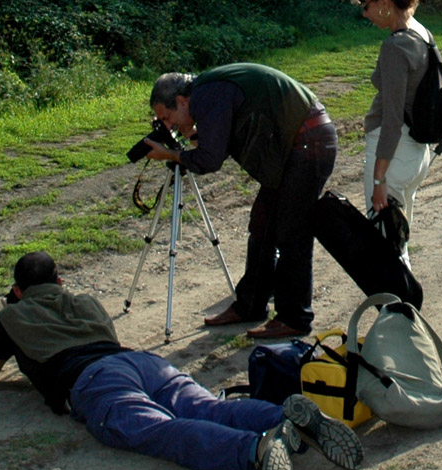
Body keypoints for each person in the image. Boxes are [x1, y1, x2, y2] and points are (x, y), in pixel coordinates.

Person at [0, 251, 363, 470]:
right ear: (60, 282)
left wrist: (13, 309)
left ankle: (254, 450)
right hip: (139, 362)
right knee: (208, 406)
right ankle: (284, 417)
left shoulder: (13, 314)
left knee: (163, 429)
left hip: (93, 380)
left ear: (19, 290)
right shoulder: (84, 302)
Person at [144, 64, 337, 339]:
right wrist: (194, 137)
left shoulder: (208, 94)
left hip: (308, 143)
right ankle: (250, 306)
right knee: (262, 226)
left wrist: (172, 155)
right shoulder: (209, 91)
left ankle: (295, 318)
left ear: (181, 101)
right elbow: (219, 144)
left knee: (291, 232)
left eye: (167, 117)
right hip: (294, 145)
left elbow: (210, 160)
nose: (169, 126)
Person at [350, 0, 434, 266]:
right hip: (416, 152)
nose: (364, 12)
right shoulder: (420, 32)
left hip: (394, 154)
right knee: (398, 240)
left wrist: (378, 180)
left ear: (385, 3)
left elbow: (392, 118)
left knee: (387, 247)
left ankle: (397, 309)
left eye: (367, 4)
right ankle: (402, 308)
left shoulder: (395, 48)